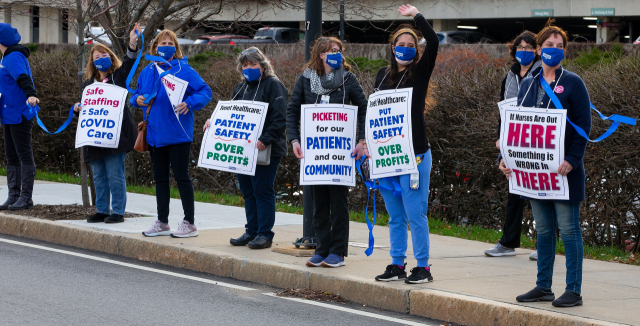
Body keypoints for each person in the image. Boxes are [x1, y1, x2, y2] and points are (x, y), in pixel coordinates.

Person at [499, 22, 591, 307]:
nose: (554, 50)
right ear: (539, 49)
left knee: (569, 228)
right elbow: (517, 126)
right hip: (535, 175)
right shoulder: (529, 84)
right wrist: (507, 157)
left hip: (564, 173)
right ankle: (543, 286)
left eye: (559, 46)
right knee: (545, 229)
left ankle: (573, 290)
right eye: (549, 45)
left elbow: (583, 127)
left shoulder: (573, 82)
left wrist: (572, 160)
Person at [370, 4, 438, 284]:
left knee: (415, 214)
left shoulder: (419, 74)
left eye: (411, 45)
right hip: (388, 157)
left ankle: (423, 267)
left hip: (415, 156)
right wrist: (367, 145)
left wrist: (417, 16)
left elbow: (433, 41)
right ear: (393, 46)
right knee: (396, 216)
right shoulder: (382, 76)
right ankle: (398, 263)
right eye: (402, 44)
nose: (406, 48)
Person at [286, 36, 368, 268]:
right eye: (332, 50)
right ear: (321, 55)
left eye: (339, 50)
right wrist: (294, 140)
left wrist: (361, 140)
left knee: (338, 202)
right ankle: (321, 249)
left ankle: (338, 252)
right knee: (318, 203)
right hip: (314, 154)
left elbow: (364, 107)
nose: (337, 53)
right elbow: (292, 110)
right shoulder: (305, 80)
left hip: (340, 154)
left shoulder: (348, 80)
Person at [203, 47, 288, 249]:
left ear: (263, 66)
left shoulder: (274, 86)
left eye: (253, 64)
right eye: (245, 64)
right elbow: (231, 115)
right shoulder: (241, 88)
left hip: (265, 150)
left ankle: (265, 234)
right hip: (244, 150)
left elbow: (279, 118)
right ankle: (251, 231)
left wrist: (265, 139)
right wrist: (213, 121)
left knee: (263, 190)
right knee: (248, 191)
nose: (248, 68)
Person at [131, 30, 212, 238]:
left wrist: (191, 102)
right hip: (155, 135)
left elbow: (205, 92)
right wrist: (136, 100)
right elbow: (136, 94)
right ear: (155, 47)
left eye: (170, 43)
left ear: (176, 48)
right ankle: (162, 222)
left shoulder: (184, 70)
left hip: (178, 133)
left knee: (182, 177)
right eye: (162, 43)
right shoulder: (147, 71)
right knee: (160, 179)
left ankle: (190, 223)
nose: (166, 46)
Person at [72, 23, 142, 223]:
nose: (100, 59)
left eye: (104, 56)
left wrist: (132, 43)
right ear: (92, 62)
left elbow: (129, 62)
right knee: (99, 176)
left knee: (114, 175)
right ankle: (102, 209)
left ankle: (118, 211)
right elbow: (88, 109)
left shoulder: (118, 78)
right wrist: (78, 109)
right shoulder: (88, 85)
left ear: (110, 58)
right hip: (94, 137)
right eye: (96, 57)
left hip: (115, 137)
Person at [485, 30, 541, 260]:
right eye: (520, 48)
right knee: (514, 192)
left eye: (529, 48)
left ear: (537, 51)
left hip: (537, 143)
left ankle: (544, 245)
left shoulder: (543, 74)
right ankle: (508, 243)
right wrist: (501, 139)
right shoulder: (509, 76)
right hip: (513, 142)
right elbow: (503, 113)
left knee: (541, 195)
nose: (524, 52)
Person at [0, 23, 40, 210]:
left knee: (23, 154)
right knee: (11, 155)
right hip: (9, 113)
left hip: (19, 113)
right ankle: (13, 196)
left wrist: (31, 94)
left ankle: (25, 198)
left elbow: (23, 77)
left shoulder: (14, 56)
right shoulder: (7, 56)